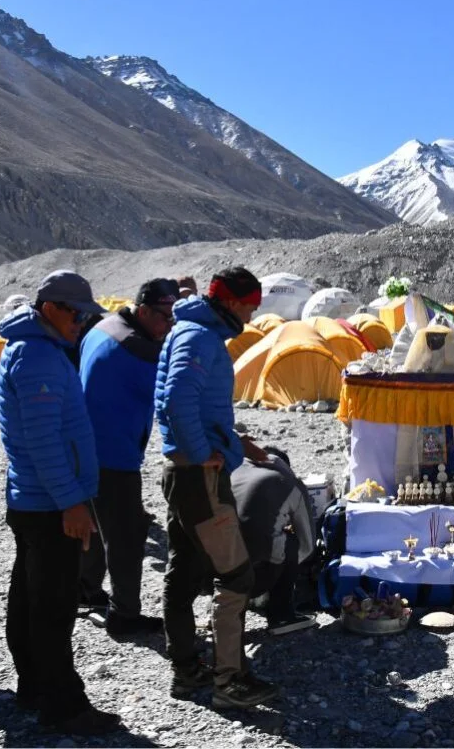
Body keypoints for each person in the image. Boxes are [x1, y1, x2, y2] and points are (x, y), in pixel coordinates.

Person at [0, 271, 119, 735]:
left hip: (33, 498)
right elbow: (44, 440)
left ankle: (33, 687)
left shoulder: (33, 348)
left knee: (30, 599)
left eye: (85, 315)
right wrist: (72, 501)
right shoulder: (39, 357)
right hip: (49, 504)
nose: (81, 322)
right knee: (52, 607)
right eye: (76, 313)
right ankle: (64, 707)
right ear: (49, 308)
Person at [156, 267, 279, 709]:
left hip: (183, 474)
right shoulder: (200, 338)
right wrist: (201, 450)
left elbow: (194, 404)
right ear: (229, 301)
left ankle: (186, 668)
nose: (252, 314)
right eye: (249, 306)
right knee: (236, 574)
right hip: (199, 477)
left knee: (185, 570)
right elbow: (176, 399)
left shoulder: (189, 330)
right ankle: (230, 680)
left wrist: (234, 442)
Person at [77, 278, 180, 634]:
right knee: (126, 536)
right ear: (145, 311)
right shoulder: (139, 352)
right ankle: (124, 615)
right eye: (165, 317)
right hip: (115, 454)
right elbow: (172, 401)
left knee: (93, 525)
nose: (169, 326)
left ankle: (86, 591)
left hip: (84, 445)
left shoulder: (103, 327)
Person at [230, 448, 318, 635]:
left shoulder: (234, 470)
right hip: (253, 579)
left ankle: (224, 614)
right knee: (290, 543)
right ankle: (281, 615)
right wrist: (287, 572)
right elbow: (307, 545)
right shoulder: (289, 482)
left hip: (214, 575)